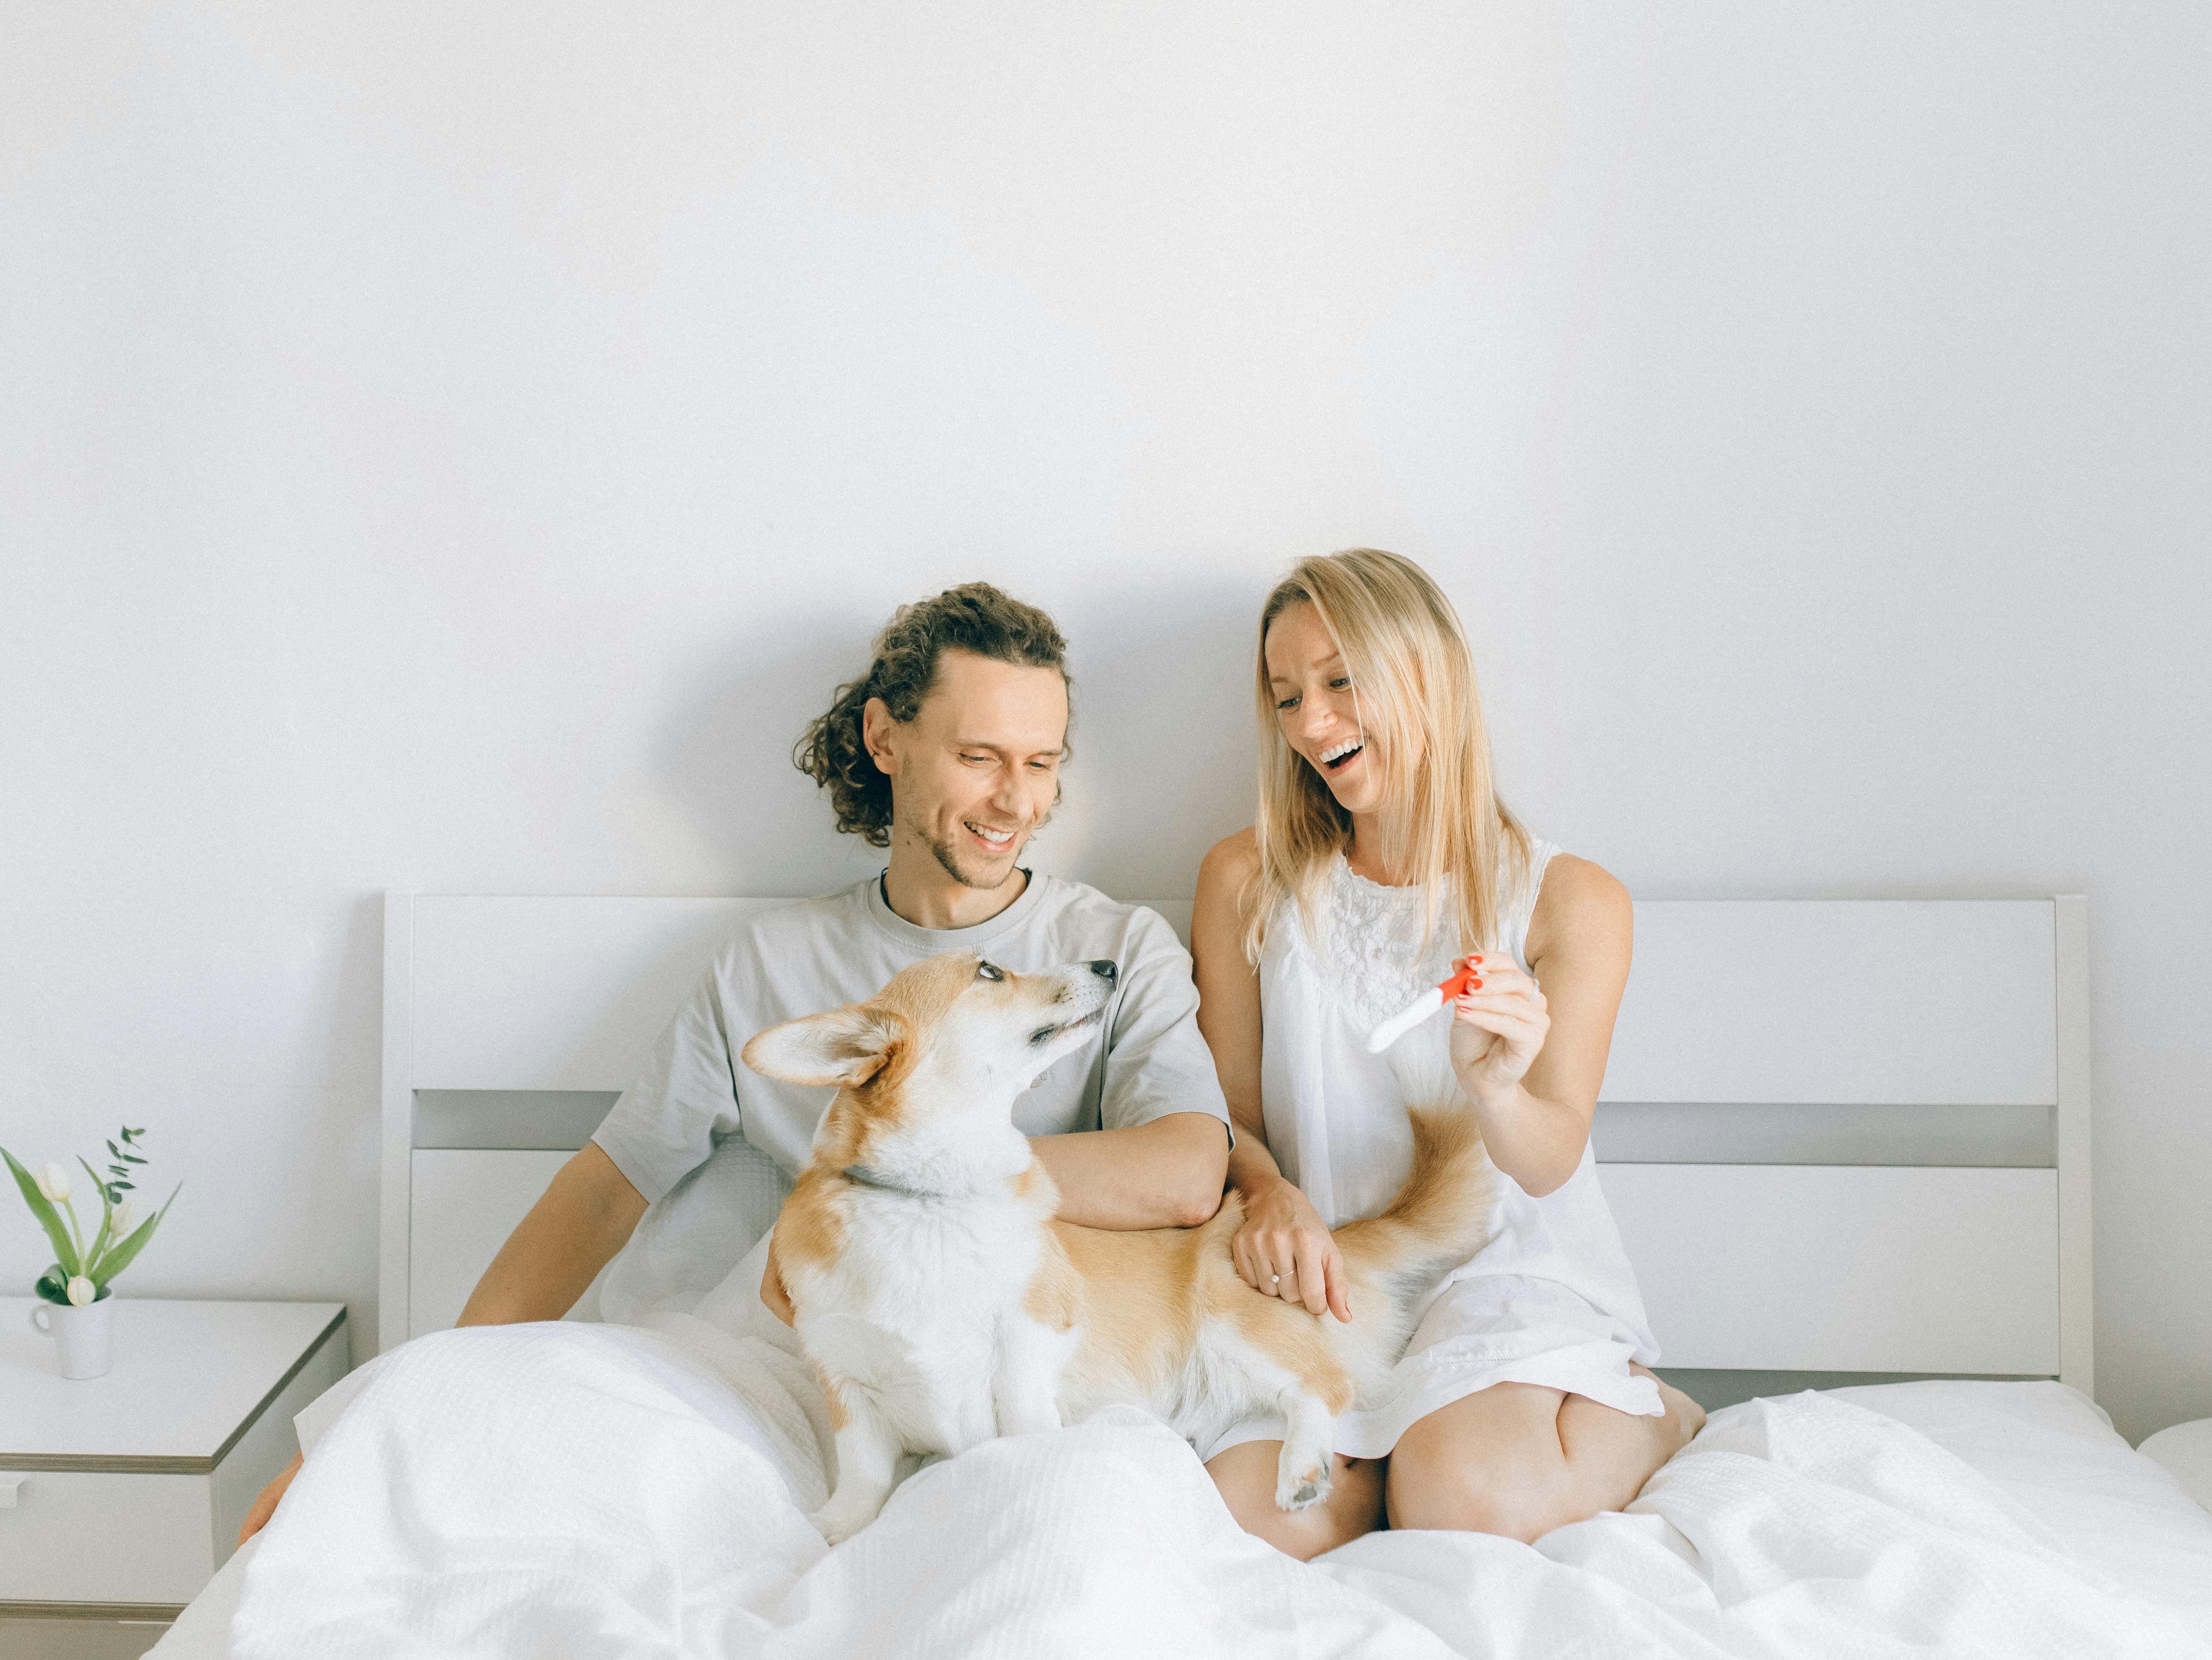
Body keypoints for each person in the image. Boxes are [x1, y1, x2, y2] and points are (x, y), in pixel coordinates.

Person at [240, 582, 1231, 1542]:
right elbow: (603, 1194)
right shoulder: (772, 967)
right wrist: (425, 1394)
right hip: (811, 1395)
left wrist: (905, 1194)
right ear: (887, 739)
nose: (1015, 800)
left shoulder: (1110, 953)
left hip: (1026, 1394)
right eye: (979, 757)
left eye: (1041, 762)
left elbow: (1187, 1172)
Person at [1190, 548, 1703, 1560]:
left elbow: (1548, 1158)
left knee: (1463, 1503)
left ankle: (1655, 1416)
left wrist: (1495, 1085)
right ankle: (1403, 1443)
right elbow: (1229, 1116)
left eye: (1341, 682)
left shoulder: (1569, 900)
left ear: (1428, 675)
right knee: (1246, 1525)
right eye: (1288, 697)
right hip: (1332, 1275)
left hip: (1497, 1271)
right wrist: (1267, 1193)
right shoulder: (1246, 879)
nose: (1312, 725)